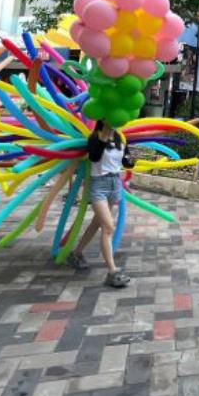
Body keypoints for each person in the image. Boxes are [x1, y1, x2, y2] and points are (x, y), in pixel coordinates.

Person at [66, 121, 134, 288]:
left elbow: (127, 162)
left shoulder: (120, 138)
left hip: (114, 184)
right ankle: (112, 272)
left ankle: (75, 254)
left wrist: (130, 160)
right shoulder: (95, 137)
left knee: (97, 223)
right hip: (99, 186)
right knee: (108, 227)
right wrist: (103, 137)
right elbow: (94, 157)